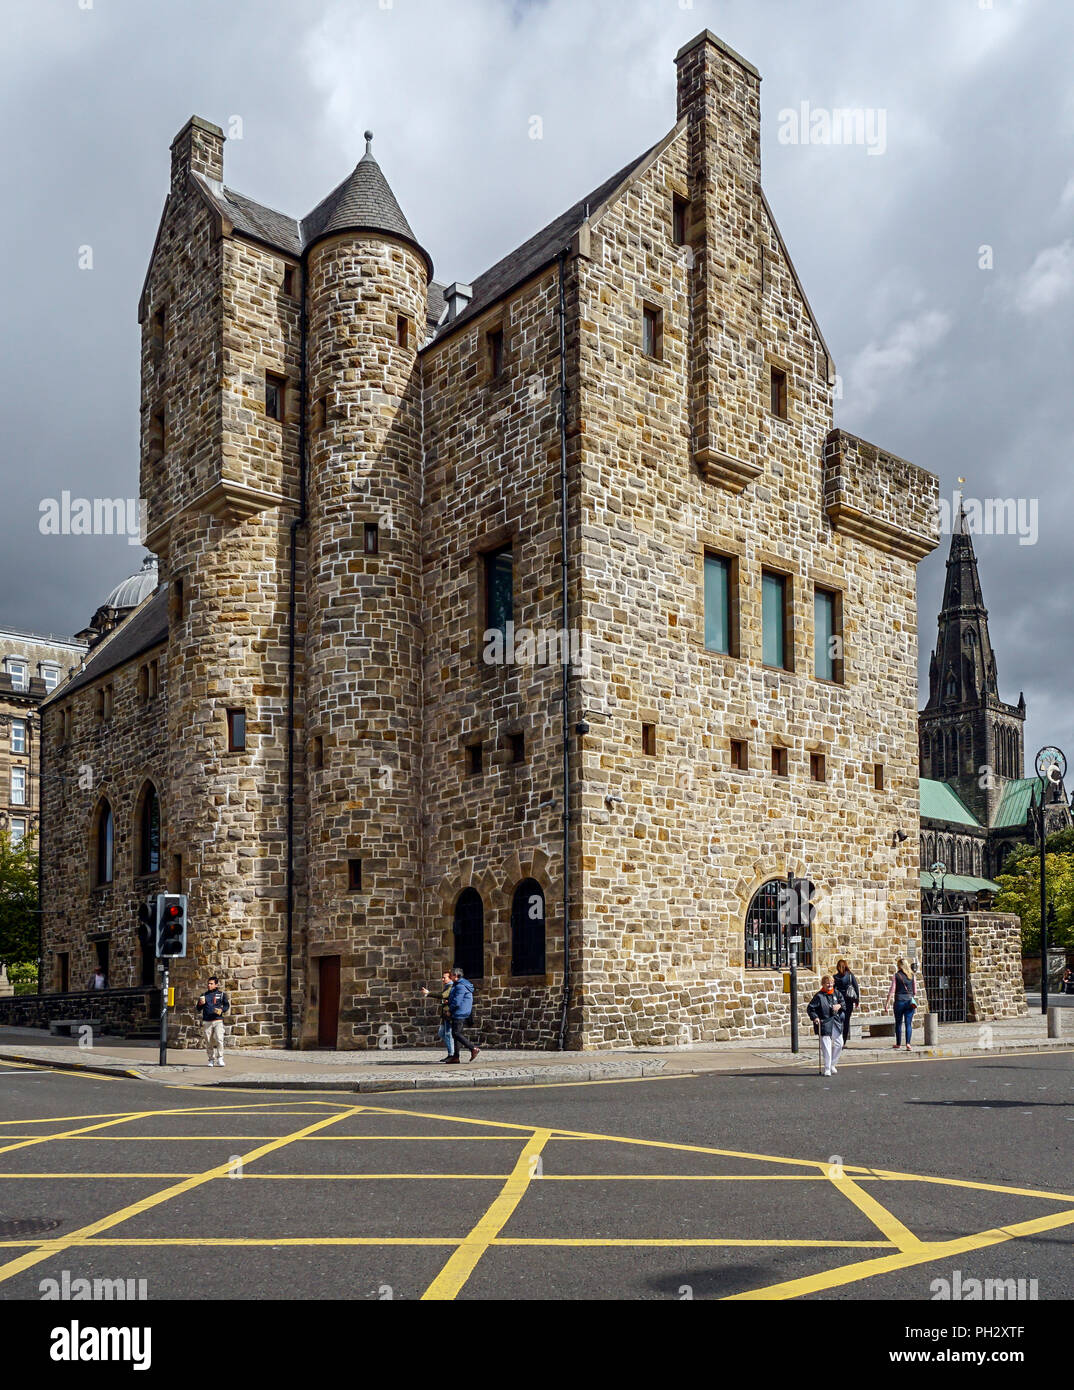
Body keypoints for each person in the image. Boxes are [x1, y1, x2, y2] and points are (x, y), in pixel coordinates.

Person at [807, 975, 845, 1077]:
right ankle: (827, 1068)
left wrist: (839, 1005)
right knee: (826, 1047)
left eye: (831, 982)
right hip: (824, 1023)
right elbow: (810, 1008)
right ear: (823, 984)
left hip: (835, 1022)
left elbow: (843, 1003)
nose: (830, 985)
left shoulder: (836, 993)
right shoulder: (819, 996)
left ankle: (832, 1064)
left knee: (839, 1043)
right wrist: (815, 1017)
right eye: (827, 983)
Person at [445, 966, 480, 1064]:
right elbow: (456, 998)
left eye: (451, 975)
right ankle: (456, 1057)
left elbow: (457, 1001)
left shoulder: (460, 986)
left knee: (456, 1033)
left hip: (459, 1012)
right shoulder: (460, 984)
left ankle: (473, 1048)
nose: (450, 977)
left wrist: (450, 1010)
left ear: (456, 975)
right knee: (456, 1034)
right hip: (462, 1011)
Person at [421, 970, 456, 1061]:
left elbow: (443, 995)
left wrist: (428, 993)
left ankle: (452, 1055)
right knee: (442, 1033)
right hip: (444, 1014)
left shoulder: (451, 985)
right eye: (443, 977)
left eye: (444, 977)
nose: (442, 979)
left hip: (449, 1014)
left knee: (448, 1034)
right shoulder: (447, 986)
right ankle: (452, 1052)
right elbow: (444, 997)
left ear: (450, 978)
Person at [196, 975, 230, 1067]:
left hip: (218, 1020)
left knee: (219, 1039)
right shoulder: (204, 995)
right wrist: (200, 1003)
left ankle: (220, 1058)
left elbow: (227, 1005)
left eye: (211, 984)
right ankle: (211, 1059)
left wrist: (222, 1010)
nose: (209, 985)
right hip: (207, 1021)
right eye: (208, 983)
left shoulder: (222, 994)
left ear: (216, 985)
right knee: (208, 1041)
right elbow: (198, 1008)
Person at [886, 958, 917, 1050]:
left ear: (899, 966)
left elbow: (892, 990)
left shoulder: (896, 975)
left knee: (898, 1023)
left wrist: (887, 1003)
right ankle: (908, 1044)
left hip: (899, 1002)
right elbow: (915, 991)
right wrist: (910, 996)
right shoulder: (912, 975)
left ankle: (898, 1043)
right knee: (908, 1024)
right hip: (909, 1002)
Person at [832, 959, 859, 1045]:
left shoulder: (835, 977)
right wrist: (857, 1000)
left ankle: (838, 1039)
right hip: (849, 1000)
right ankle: (843, 1041)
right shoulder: (850, 975)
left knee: (838, 1020)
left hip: (839, 1001)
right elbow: (856, 987)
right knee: (846, 1021)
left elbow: (832, 990)